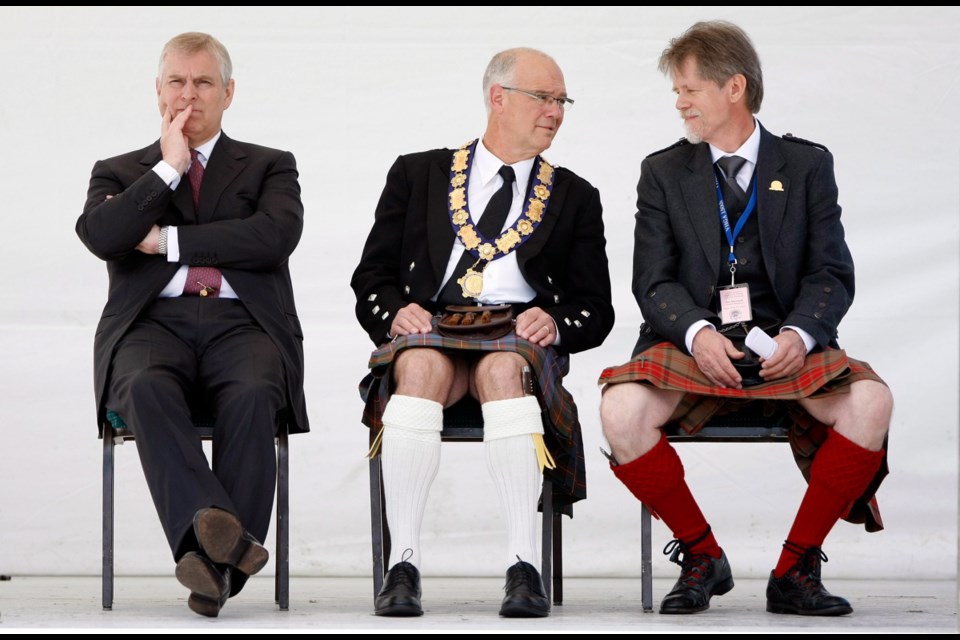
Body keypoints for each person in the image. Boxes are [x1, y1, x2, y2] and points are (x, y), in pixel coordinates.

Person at [598, 21, 893, 617]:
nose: (679, 102)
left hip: (786, 343)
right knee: (619, 409)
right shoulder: (663, 171)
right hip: (692, 342)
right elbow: (651, 280)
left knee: (872, 403)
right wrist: (697, 331)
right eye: (676, 91)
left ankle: (795, 568)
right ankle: (704, 557)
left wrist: (800, 333)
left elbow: (831, 271)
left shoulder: (807, 164)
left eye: (689, 89)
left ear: (734, 87)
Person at [351, 47, 614, 618]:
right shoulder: (417, 173)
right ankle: (403, 564)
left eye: (562, 100)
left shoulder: (575, 195)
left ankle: (524, 565)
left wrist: (556, 322)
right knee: (416, 368)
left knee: (502, 369)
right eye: (543, 98)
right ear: (499, 98)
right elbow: (371, 275)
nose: (556, 112)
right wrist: (395, 311)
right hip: (434, 326)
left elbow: (596, 308)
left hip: (514, 337)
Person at [76, 32, 307, 618]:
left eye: (204, 82)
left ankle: (208, 562)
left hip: (243, 324)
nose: (189, 94)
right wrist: (168, 169)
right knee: (145, 387)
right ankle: (226, 553)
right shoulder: (120, 171)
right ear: (158, 91)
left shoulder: (270, 165)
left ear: (228, 93)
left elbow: (273, 237)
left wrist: (167, 240)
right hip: (154, 324)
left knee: (256, 390)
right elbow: (102, 237)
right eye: (177, 81)